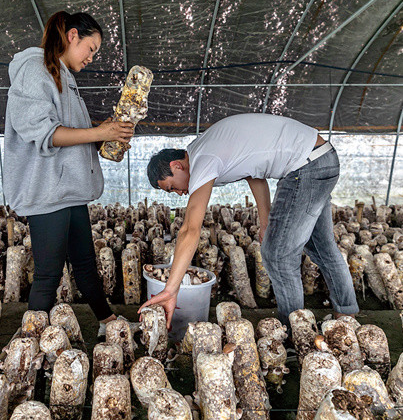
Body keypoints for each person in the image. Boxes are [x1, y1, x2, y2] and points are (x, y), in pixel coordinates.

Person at [140, 113, 359, 328]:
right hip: (321, 158)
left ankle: (295, 330)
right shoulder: (205, 147)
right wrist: (265, 223)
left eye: (172, 187)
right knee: (321, 246)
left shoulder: (203, 159)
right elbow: (253, 173)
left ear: (176, 166)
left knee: (277, 254)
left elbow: (190, 229)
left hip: (305, 167)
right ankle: (346, 316)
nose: (179, 193)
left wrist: (170, 289)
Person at [3, 11, 134, 330]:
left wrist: (104, 133)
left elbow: (70, 131)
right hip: (46, 192)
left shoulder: (63, 76)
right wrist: (100, 133)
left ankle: (108, 321)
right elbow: (45, 133)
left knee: (86, 264)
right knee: (48, 274)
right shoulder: (34, 70)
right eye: (91, 48)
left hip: (67, 189)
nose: (92, 57)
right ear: (72, 36)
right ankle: (28, 348)